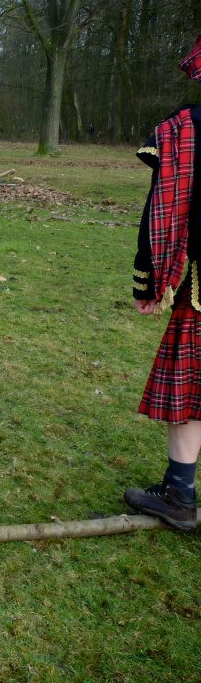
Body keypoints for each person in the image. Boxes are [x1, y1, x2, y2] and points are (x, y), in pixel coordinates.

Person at [124, 34, 201, 531]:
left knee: (190, 391)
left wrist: (148, 281)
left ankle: (179, 492)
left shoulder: (183, 130)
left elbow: (163, 211)